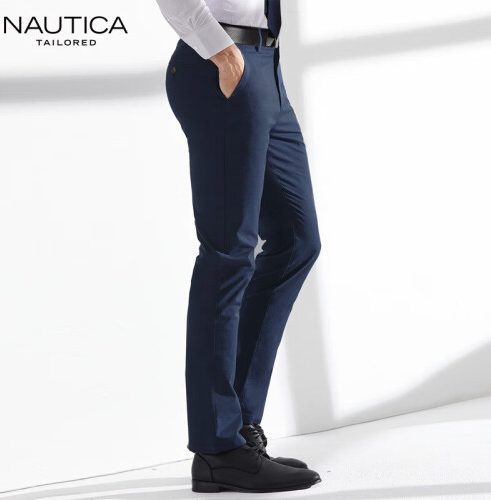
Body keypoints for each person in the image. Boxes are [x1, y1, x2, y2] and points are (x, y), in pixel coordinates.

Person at [156, 0, 322, 493]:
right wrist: (224, 54)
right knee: (228, 254)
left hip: (268, 67)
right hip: (221, 62)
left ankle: (240, 429)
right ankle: (217, 448)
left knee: (296, 240)